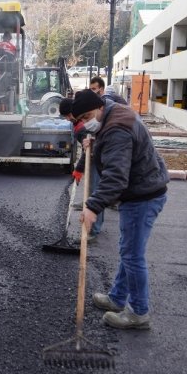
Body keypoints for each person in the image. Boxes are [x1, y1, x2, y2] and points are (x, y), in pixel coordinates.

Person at [70, 88, 169, 330]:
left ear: (99, 107)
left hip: (142, 195)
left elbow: (115, 177)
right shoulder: (113, 113)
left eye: (87, 117)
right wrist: (95, 141)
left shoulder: (116, 129)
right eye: (81, 120)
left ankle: (138, 313)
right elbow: (112, 146)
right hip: (143, 189)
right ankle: (117, 298)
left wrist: (93, 206)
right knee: (129, 250)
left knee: (132, 256)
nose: (85, 123)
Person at [59, 96, 104, 242]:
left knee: (96, 191)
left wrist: (79, 169)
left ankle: (94, 230)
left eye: (67, 116)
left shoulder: (82, 127)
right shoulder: (78, 123)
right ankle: (87, 203)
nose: (67, 119)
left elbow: (89, 151)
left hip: (97, 159)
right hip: (94, 157)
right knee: (91, 189)